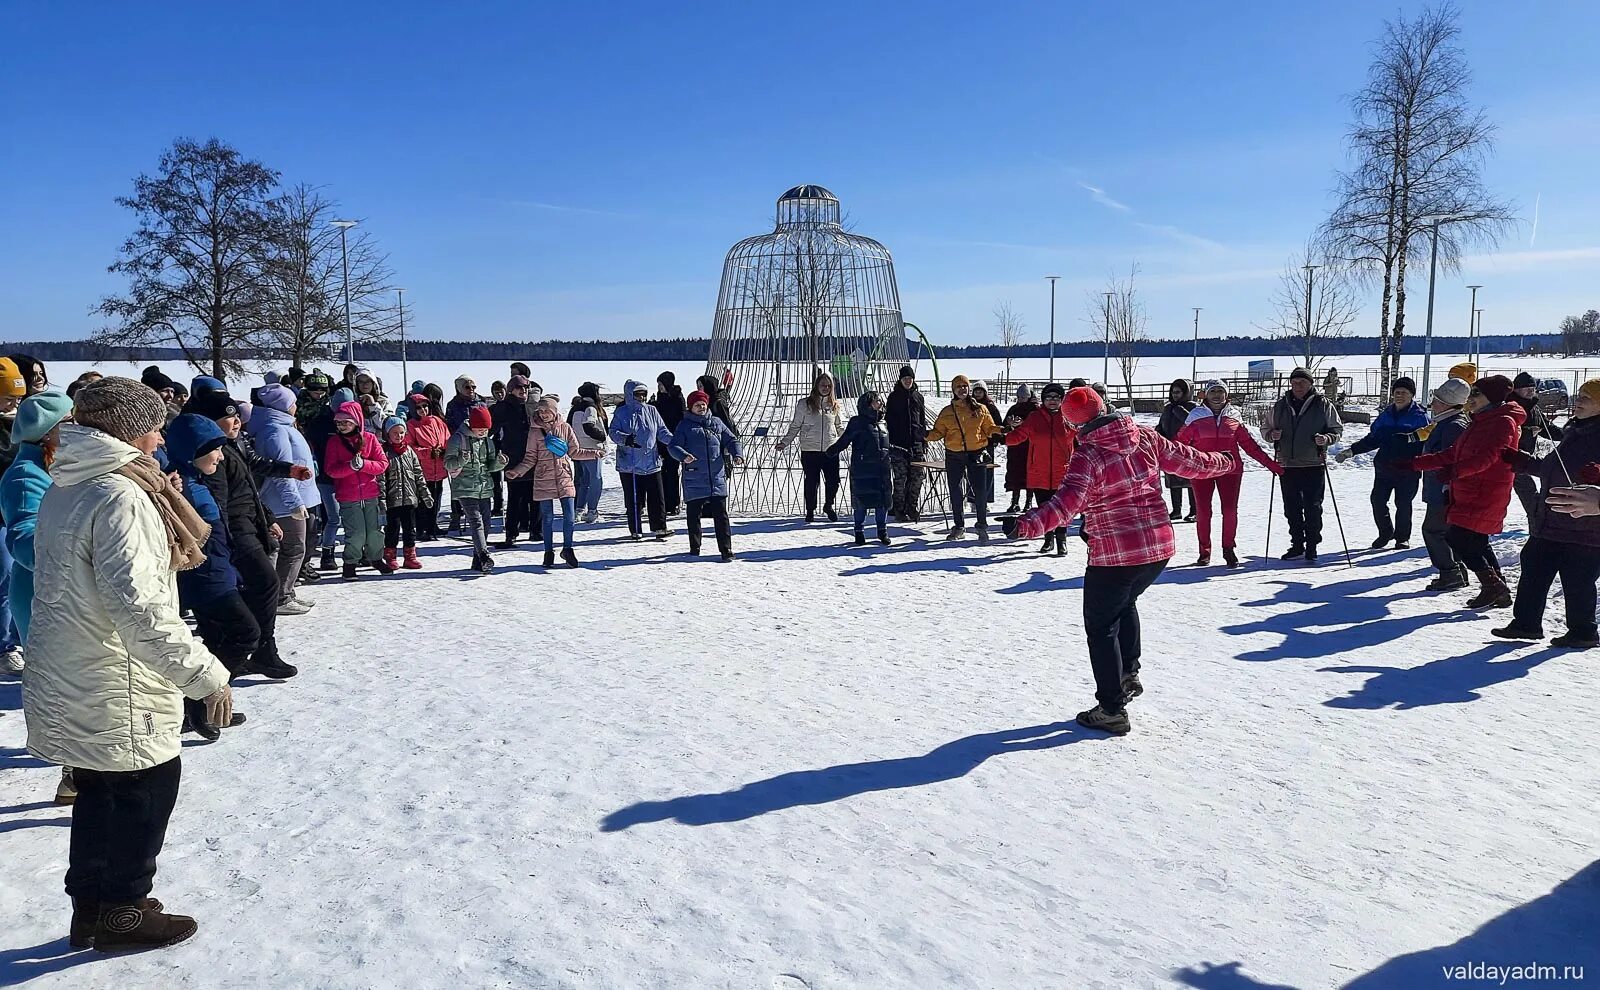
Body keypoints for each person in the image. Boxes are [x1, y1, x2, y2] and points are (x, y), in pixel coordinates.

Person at [26, 378, 232, 952]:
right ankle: (124, 909)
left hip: (79, 664)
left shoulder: (68, 484)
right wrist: (204, 673)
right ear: (127, 430)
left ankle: (90, 908)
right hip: (116, 673)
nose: (163, 434)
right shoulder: (120, 496)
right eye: (154, 424)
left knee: (99, 788)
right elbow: (139, 606)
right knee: (146, 785)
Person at [1011, 386, 1234, 735]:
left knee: (1100, 627)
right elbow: (1189, 461)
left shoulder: (1088, 456)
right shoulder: (1144, 436)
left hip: (1115, 554)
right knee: (1124, 602)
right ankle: (1128, 673)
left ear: (1072, 423)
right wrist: (1224, 460)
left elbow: (1065, 506)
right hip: (1157, 548)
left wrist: (1026, 525)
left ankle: (1112, 708)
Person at [184, 387, 299, 679]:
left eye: (236, 417)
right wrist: (229, 543)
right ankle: (250, 652)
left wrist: (268, 515)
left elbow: (249, 482)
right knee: (265, 582)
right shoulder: (212, 455)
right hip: (235, 531)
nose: (236, 422)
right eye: (228, 417)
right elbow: (219, 503)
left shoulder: (232, 446)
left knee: (260, 585)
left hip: (249, 523)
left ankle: (260, 649)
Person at [0, 392, 75, 802]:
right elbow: (24, 540)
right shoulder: (26, 475)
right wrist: (80, 552)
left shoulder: (56, 464)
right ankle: (75, 774)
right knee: (66, 683)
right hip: (43, 595)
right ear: (50, 433)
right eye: (71, 423)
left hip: (62, 591)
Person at [165, 414, 260, 733]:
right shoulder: (179, 485)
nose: (220, 456)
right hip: (205, 577)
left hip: (217, 572)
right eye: (214, 449)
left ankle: (204, 706)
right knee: (245, 632)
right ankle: (202, 700)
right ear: (193, 450)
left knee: (215, 638)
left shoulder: (194, 480)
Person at [1402, 375, 1526, 609]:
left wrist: (1454, 472)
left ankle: (1492, 586)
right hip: (1469, 489)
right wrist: (1414, 464)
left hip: (1486, 490)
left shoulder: (1502, 422)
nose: (1471, 398)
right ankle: (1498, 589)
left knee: (1456, 537)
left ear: (1492, 398)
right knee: (1476, 542)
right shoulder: (1479, 420)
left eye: (1477, 394)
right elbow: (1452, 453)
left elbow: (1489, 457)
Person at [1493, 378, 1600, 647]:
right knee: (1533, 568)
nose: (1579, 400)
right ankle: (1526, 624)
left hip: (1585, 528)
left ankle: (1583, 632)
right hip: (1550, 521)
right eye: (1579, 395)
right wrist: (1522, 461)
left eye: (1586, 397)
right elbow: (1552, 469)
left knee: (1577, 580)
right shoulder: (1575, 431)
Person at [1176, 381, 1281, 567]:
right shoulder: (1195, 416)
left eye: (1220, 391)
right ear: (1206, 395)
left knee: (1230, 510)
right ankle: (1204, 552)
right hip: (1202, 470)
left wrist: (1271, 465)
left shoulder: (1234, 416)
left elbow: (1250, 446)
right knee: (1203, 511)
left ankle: (1228, 549)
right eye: (1213, 391)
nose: (1217, 395)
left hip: (1230, 470)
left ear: (1226, 394)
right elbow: (1178, 444)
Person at [248, 384, 320, 615]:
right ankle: (280, 598)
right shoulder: (274, 431)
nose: (296, 406)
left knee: (296, 548)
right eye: (292, 402)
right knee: (293, 548)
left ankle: (287, 592)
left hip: (296, 499)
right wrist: (294, 504)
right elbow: (282, 472)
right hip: (283, 503)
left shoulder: (282, 426)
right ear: (282, 406)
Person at [1261, 367, 1343, 562]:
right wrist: (1271, 435)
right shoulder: (1280, 405)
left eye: (1302, 382)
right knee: (1291, 508)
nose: (1298, 386)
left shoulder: (1323, 404)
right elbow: (1265, 428)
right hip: (1287, 464)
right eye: (1295, 382)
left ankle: (1312, 544)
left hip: (1313, 463)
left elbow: (1337, 429)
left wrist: (1326, 438)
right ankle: (1297, 544)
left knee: (1313, 507)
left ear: (1311, 384)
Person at [1336, 376, 1427, 549]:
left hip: (1408, 468)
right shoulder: (1386, 415)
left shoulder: (1420, 416)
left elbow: (1426, 443)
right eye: (1397, 392)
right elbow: (1373, 439)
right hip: (1385, 467)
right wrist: (1352, 450)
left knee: (1403, 503)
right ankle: (1385, 532)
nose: (1399, 395)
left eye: (1404, 393)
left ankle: (1402, 537)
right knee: (1377, 500)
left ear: (1412, 395)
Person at [1410, 378, 1473, 590]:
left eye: (1436, 400)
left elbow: (1448, 460)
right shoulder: (1450, 422)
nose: (1432, 405)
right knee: (1447, 531)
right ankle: (1458, 570)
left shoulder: (1453, 426)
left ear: (1446, 404)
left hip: (1444, 489)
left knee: (1433, 530)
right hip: (1442, 488)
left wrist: (1427, 466)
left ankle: (1450, 572)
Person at [667, 389, 744, 560]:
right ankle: (695, 547)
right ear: (690, 407)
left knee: (721, 516)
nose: (701, 407)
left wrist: (737, 454)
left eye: (703, 404)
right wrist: (683, 456)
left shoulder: (716, 422)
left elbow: (732, 439)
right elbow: (673, 446)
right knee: (694, 516)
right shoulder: (685, 426)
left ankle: (726, 549)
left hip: (716, 477)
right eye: (697, 405)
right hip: (695, 476)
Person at [506, 398, 581, 569]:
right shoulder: (535, 431)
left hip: (563, 476)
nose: (543, 414)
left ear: (554, 411)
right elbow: (530, 457)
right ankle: (548, 552)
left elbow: (574, 452)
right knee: (547, 517)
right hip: (543, 477)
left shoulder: (565, 428)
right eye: (540, 411)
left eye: (546, 411)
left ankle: (567, 549)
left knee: (569, 516)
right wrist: (517, 471)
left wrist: (594, 453)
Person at [1003, 383, 1077, 556]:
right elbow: (1019, 436)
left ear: (1062, 400)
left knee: (1062, 508)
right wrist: (1003, 438)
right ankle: (1048, 539)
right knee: (1044, 508)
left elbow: (1083, 435)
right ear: (1043, 399)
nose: (1052, 401)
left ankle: (1062, 540)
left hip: (1063, 473)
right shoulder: (1034, 417)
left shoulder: (1069, 417)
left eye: (1056, 397)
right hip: (1039, 472)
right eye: (1048, 397)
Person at [324, 400, 393, 580]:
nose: (342, 426)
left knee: (375, 532)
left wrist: (364, 465)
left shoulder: (369, 439)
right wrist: (351, 467)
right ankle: (350, 563)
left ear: (356, 421)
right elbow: (331, 469)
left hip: (371, 494)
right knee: (356, 534)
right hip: (348, 496)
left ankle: (376, 558)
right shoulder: (334, 442)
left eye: (346, 422)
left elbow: (382, 464)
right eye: (338, 422)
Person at [926, 375, 1000, 540]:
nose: (962, 389)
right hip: (954, 455)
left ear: (969, 389)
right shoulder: (947, 412)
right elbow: (938, 433)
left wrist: (1004, 429)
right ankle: (959, 526)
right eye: (958, 387)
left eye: (965, 386)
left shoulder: (980, 408)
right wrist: (925, 435)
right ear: (953, 390)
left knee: (980, 492)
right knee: (956, 491)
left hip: (976, 453)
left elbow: (989, 428)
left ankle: (982, 525)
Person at [776, 372, 846, 523]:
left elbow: (839, 426)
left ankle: (829, 505)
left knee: (833, 481)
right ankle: (810, 510)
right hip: (810, 449)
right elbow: (795, 426)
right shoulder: (805, 404)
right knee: (811, 482)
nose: (826, 388)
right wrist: (785, 442)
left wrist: (850, 438)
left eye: (828, 386)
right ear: (816, 386)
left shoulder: (834, 405)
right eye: (823, 385)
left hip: (830, 448)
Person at [609, 380, 675, 540]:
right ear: (630, 395)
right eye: (638, 394)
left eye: (644, 394)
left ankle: (659, 527)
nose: (642, 397)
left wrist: (675, 441)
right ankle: (635, 529)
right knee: (634, 499)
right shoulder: (621, 412)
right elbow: (612, 432)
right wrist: (625, 439)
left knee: (657, 497)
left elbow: (662, 431)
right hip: (630, 464)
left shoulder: (652, 410)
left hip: (651, 462)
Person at [827, 391, 894, 546]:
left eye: (880, 401)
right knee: (861, 502)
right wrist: (831, 451)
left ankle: (882, 532)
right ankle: (859, 531)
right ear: (867, 404)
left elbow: (885, 444)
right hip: (863, 469)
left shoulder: (883, 423)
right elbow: (845, 440)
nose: (880, 404)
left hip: (882, 469)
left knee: (882, 502)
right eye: (877, 401)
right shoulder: (857, 422)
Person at [446, 405, 507, 573]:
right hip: (465, 488)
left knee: (486, 523)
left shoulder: (488, 442)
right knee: (476, 521)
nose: (482, 432)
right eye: (479, 428)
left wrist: (500, 462)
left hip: (484, 487)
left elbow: (490, 466)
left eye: (485, 429)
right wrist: (460, 460)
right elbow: (447, 463)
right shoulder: (458, 439)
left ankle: (478, 559)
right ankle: (484, 554)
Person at [0, 358, 27, 675]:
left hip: (19, 511)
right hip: (2, 515)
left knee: (21, 578)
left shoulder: (21, 423)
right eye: (8, 397)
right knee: (5, 579)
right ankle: (6, 645)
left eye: (18, 398)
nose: (14, 404)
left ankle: (20, 640)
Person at [1509, 371, 1563, 521]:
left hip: (1524, 460)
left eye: (1533, 388)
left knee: (1530, 496)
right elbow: (1503, 432)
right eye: (1526, 388)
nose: (1530, 391)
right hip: (1508, 459)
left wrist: (1569, 436)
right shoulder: (1509, 407)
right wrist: (1527, 433)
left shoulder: (1534, 408)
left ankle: (1536, 522)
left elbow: (1547, 428)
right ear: (1515, 390)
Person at [492, 376, 538, 548]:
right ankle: (511, 533)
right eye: (519, 388)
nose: (523, 391)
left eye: (526, 388)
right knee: (515, 498)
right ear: (511, 389)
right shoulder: (503, 408)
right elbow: (490, 429)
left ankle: (536, 530)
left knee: (535, 496)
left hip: (533, 457)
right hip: (513, 457)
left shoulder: (531, 406)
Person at [380, 416, 431, 570]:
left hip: (409, 499)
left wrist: (425, 493)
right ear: (387, 434)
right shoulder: (385, 452)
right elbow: (381, 479)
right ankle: (390, 556)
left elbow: (418, 474)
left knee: (410, 530)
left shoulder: (409, 451)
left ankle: (410, 556)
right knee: (392, 530)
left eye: (402, 433)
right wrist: (382, 499)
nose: (399, 436)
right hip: (392, 500)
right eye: (395, 433)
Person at [405, 392, 451, 540]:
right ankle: (421, 529)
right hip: (422, 470)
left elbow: (447, 438)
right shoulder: (411, 425)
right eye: (418, 407)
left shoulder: (437, 421)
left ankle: (432, 527)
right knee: (423, 501)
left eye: (425, 406)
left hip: (439, 467)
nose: (423, 409)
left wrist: (445, 451)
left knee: (436, 499)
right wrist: (429, 452)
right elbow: (410, 448)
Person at [885, 365, 928, 522]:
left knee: (917, 477)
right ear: (900, 380)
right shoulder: (894, 397)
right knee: (900, 479)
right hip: (898, 445)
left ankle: (912, 506)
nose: (908, 381)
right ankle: (898, 508)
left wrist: (924, 441)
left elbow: (922, 421)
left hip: (916, 443)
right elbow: (888, 421)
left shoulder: (918, 397)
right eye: (905, 379)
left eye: (910, 379)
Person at [1156, 379, 1197, 521]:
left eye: (1178, 392)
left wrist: (1178, 410)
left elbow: (1193, 423)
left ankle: (1194, 510)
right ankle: (1177, 510)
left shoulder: (1193, 407)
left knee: (1191, 481)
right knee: (1173, 480)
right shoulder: (1168, 408)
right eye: (1173, 392)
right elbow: (1162, 424)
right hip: (1170, 449)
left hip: (1188, 449)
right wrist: (1158, 434)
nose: (1175, 395)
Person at [569, 385, 609, 523]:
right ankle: (592, 511)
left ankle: (578, 510)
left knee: (584, 480)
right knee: (596, 480)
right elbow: (589, 425)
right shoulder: (591, 407)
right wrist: (602, 436)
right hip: (593, 449)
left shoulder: (575, 407)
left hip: (579, 450)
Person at [652, 372, 687, 516]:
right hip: (660, 441)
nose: (659, 387)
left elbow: (678, 416)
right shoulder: (660, 398)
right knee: (662, 473)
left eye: (661, 384)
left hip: (674, 439)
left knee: (672, 472)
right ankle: (664, 502)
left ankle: (674, 503)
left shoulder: (677, 398)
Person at [1002, 385, 1039, 513]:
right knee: (1015, 475)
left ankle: (1028, 501)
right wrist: (1009, 424)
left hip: (1030, 447)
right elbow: (1003, 427)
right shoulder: (1014, 408)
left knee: (1029, 475)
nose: (1021, 399)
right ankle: (1015, 501)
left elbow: (1038, 427)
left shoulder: (1035, 410)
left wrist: (1023, 425)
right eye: (1019, 397)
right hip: (1015, 448)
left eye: (1024, 397)